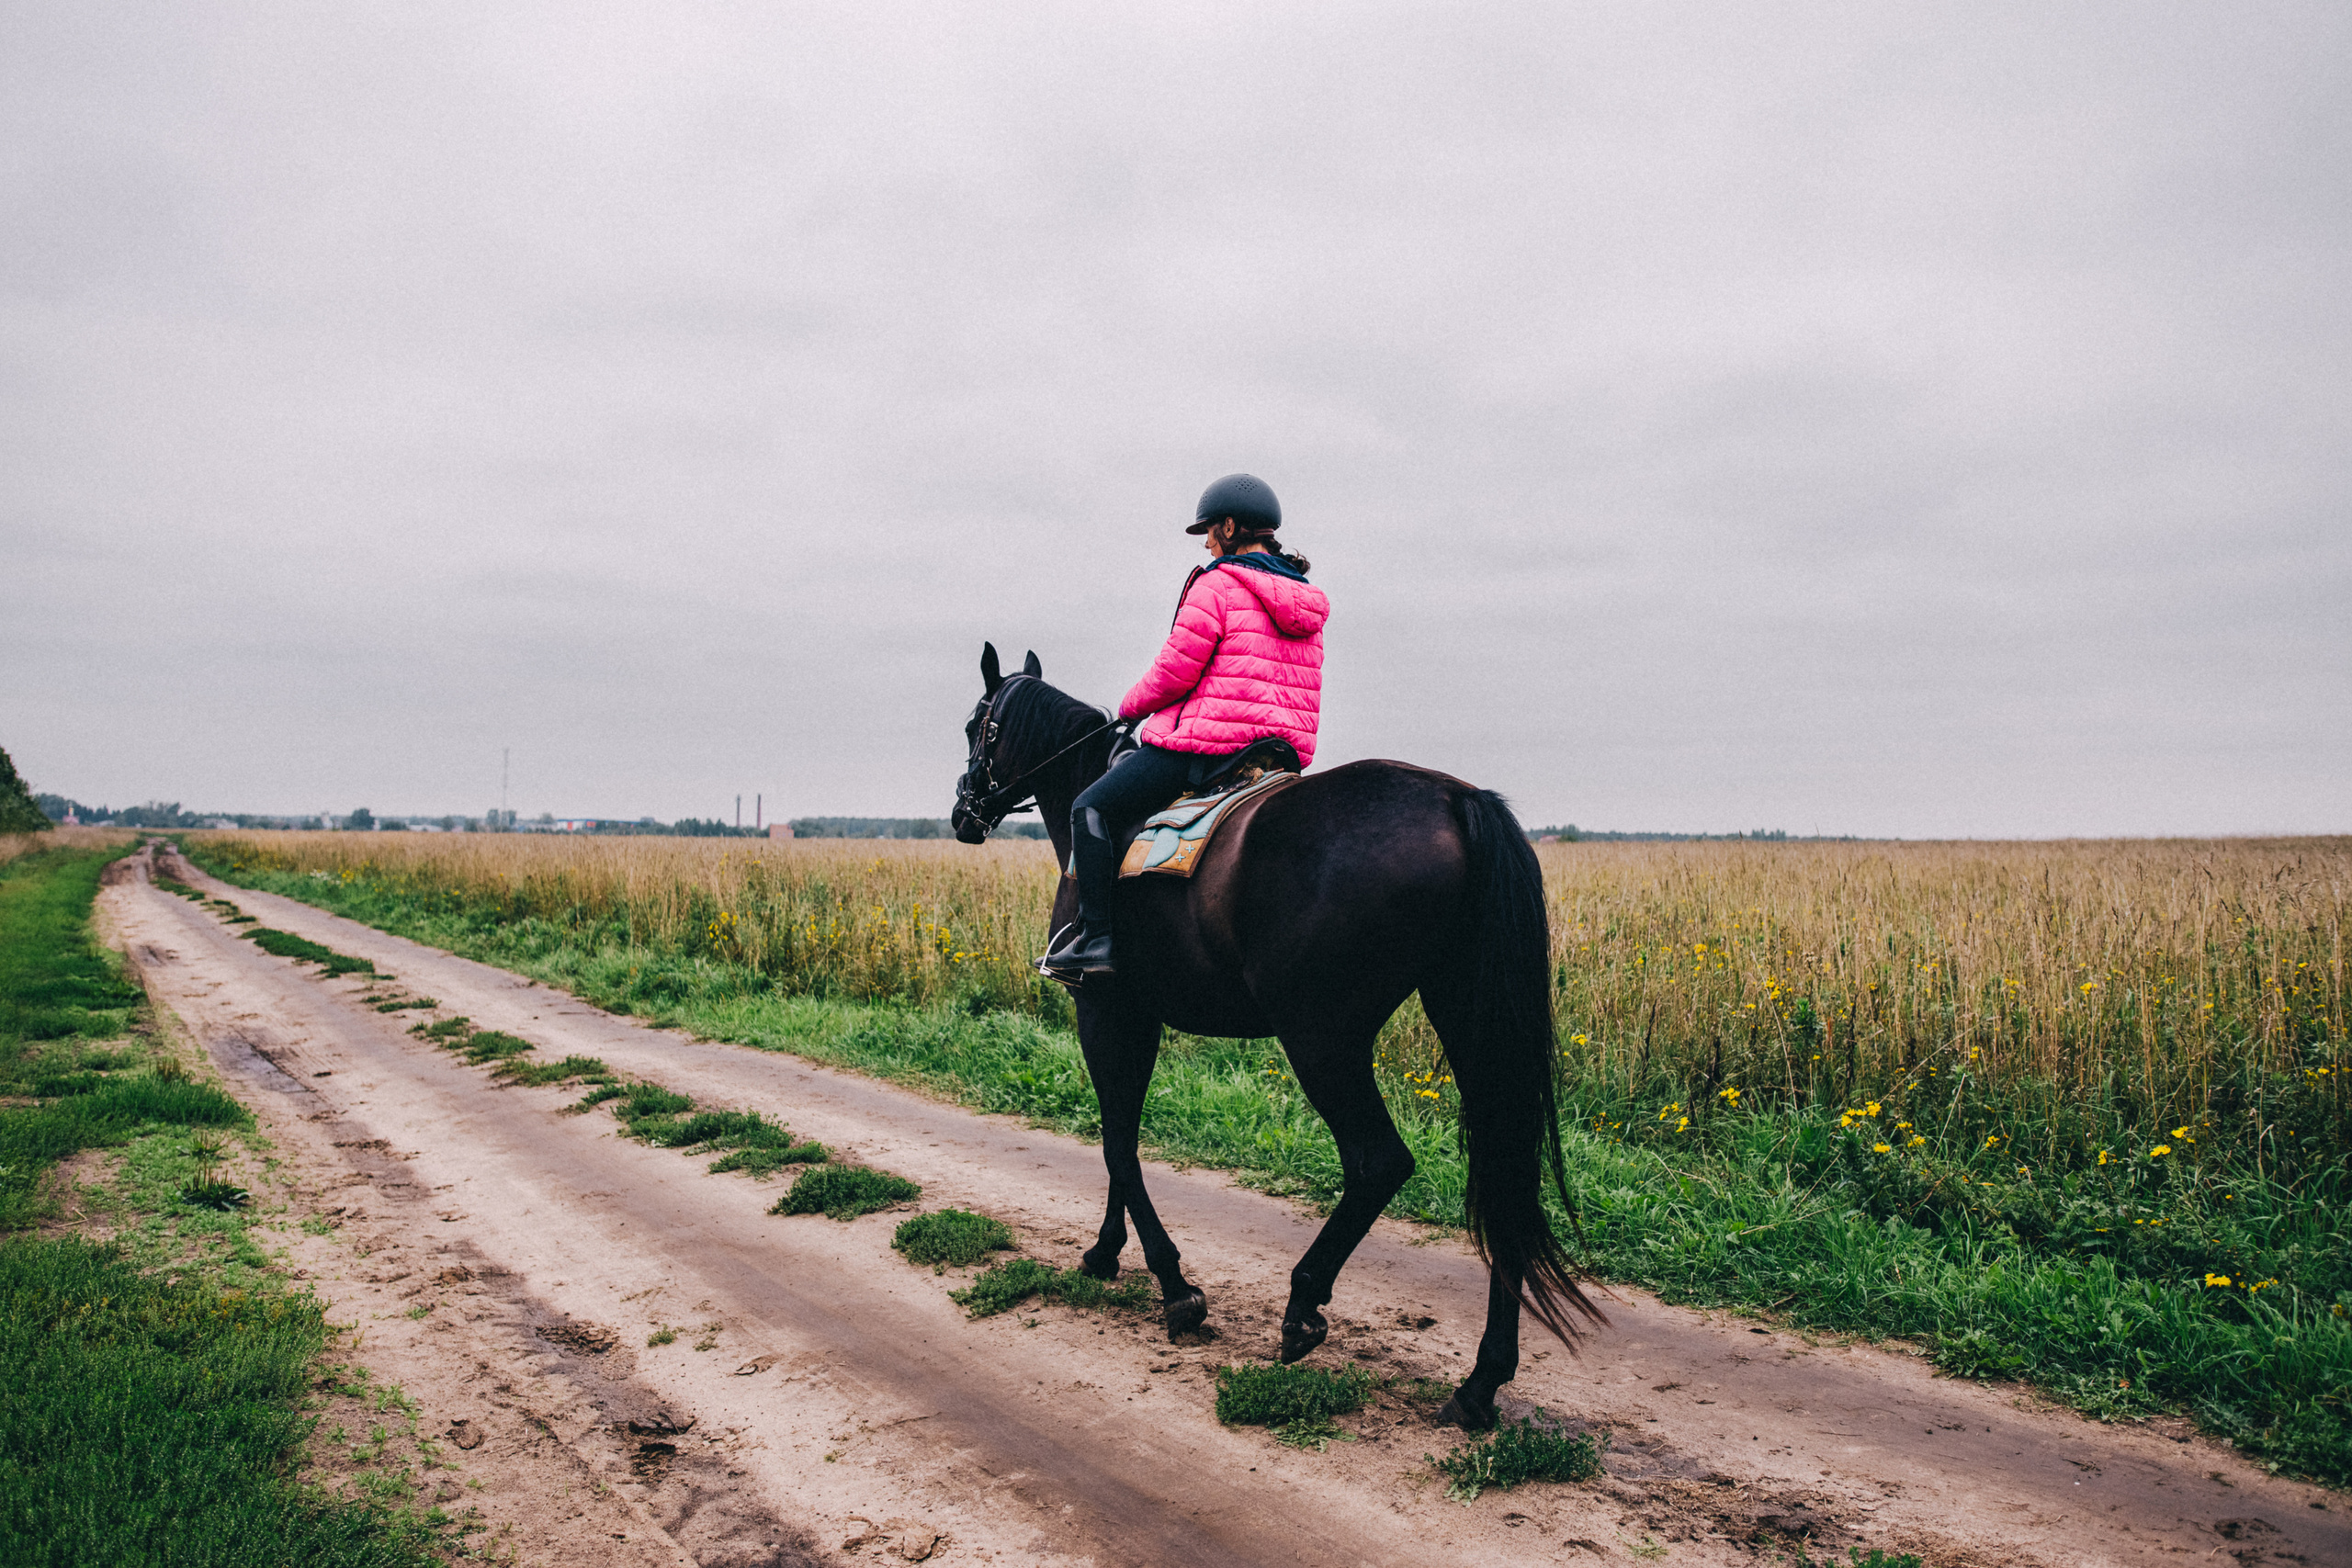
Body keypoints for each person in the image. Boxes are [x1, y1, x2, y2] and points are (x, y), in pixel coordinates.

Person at [1039, 473, 1329, 980]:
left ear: (1232, 527)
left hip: (1208, 746)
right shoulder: (1303, 600)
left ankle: (1096, 939)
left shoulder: (1217, 584)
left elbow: (1177, 669)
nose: (1208, 543)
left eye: (1211, 532)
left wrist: (1130, 707)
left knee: (1090, 806)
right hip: (1276, 755)